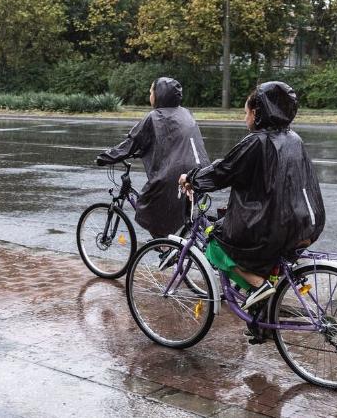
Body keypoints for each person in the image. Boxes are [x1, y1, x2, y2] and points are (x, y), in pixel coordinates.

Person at [179, 81, 325, 310]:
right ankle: (265, 314)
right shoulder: (293, 138)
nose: (244, 117)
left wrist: (192, 179)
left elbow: (223, 171)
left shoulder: (257, 141)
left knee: (215, 243)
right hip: (305, 223)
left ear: (257, 113)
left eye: (245, 112)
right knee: (267, 262)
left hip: (273, 228)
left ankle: (258, 286)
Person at [97, 77, 210, 238]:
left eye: (151, 91)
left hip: (176, 173)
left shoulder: (155, 116)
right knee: (182, 212)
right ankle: (173, 246)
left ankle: (164, 245)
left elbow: (131, 143)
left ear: (159, 94)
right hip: (200, 169)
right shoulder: (185, 112)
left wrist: (105, 158)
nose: (150, 95)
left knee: (149, 204)